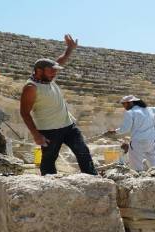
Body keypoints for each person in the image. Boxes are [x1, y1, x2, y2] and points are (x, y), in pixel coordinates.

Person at [19, 34, 97, 176]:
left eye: (55, 71)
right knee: (49, 160)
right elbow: (24, 113)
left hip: (68, 125)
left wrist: (70, 48)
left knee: (83, 151)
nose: (54, 73)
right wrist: (36, 135)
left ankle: (94, 178)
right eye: (51, 71)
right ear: (39, 71)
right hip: (49, 130)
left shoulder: (48, 77)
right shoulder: (31, 87)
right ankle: (50, 185)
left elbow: (60, 61)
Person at [107, 95, 155, 171]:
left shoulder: (130, 112)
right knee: (152, 160)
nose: (123, 106)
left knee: (136, 162)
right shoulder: (149, 109)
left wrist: (114, 131)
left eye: (124, 104)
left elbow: (125, 129)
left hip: (138, 140)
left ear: (130, 103)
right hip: (150, 140)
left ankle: (139, 176)